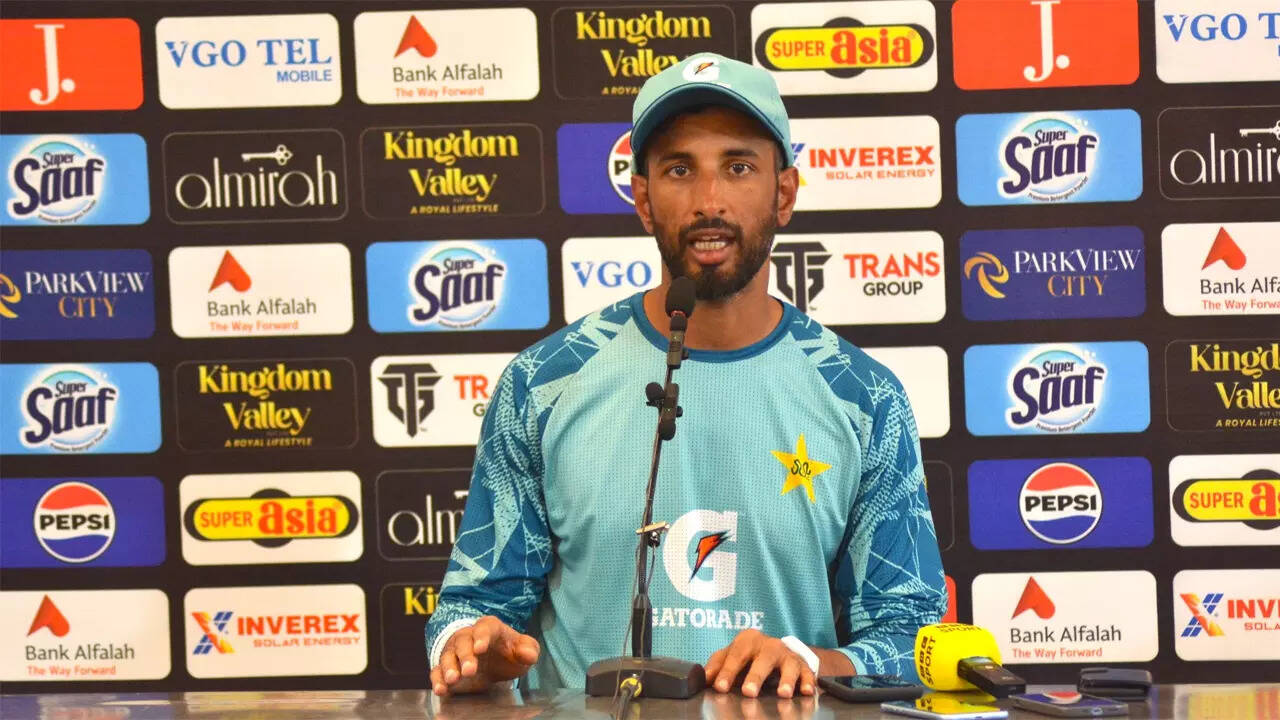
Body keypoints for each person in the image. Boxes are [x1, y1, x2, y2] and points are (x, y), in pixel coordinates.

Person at [425, 52, 947, 699]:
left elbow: (912, 637)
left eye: (738, 167)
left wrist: (809, 661)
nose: (709, 201)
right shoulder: (543, 383)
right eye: (679, 170)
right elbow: (471, 606)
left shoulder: (864, 397)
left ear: (784, 194)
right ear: (644, 200)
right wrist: (470, 647)